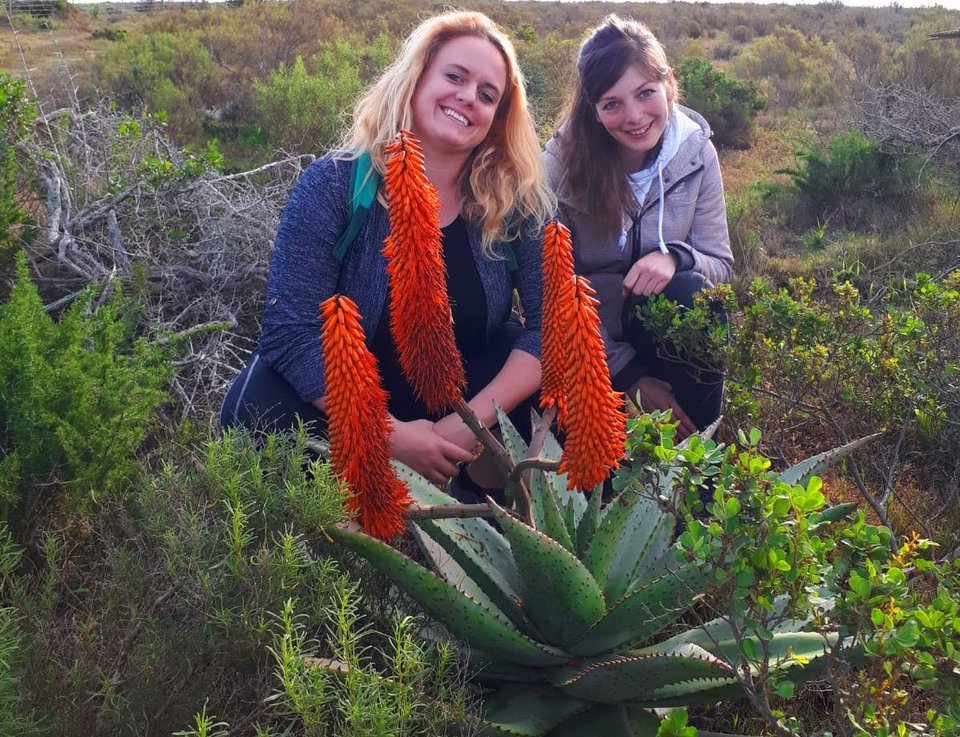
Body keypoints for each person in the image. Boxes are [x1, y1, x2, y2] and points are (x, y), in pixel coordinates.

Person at [220, 11, 554, 487]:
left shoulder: (516, 202)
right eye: (454, 77)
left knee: (564, 391)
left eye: (487, 95)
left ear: (497, 120)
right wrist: (388, 434)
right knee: (262, 398)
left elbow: (551, 326)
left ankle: (481, 499)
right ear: (416, 80)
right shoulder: (334, 184)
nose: (468, 98)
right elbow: (290, 330)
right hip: (347, 403)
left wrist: (470, 422)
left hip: (462, 402)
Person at [544, 15, 733, 438]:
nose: (634, 117)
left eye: (646, 93)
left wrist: (675, 257)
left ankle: (696, 470)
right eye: (612, 104)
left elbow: (720, 264)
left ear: (669, 83)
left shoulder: (697, 154)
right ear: (592, 110)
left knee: (695, 295)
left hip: (660, 326)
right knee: (596, 480)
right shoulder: (559, 165)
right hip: (584, 339)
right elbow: (551, 293)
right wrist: (628, 377)